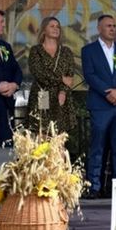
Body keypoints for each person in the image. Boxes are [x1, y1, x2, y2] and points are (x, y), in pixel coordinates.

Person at [81, 14, 116, 198]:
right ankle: (94, 186)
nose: (112, 29)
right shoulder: (89, 50)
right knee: (98, 147)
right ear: (99, 29)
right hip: (100, 105)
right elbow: (90, 75)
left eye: (114, 26)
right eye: (108, 26)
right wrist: (107, 92)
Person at [27, 17, 76, 150]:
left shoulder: (66, 52)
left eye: (58, 26)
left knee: (59, 140)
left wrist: (63, 91)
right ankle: (42, 163)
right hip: (41, 95)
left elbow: (69, 76)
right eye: (52, 26)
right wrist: (61, 78)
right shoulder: (36, 50)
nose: (56, 29)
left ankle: (59, 163)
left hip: (61, 98)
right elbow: (39, 73)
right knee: (41, 137)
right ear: (44, 29)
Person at [0, 7, 22, 147]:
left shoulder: (5, 46)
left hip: (6, 107)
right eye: (1, 21)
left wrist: (14, 84)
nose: (4, 25)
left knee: (7, 148)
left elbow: (17, 70)